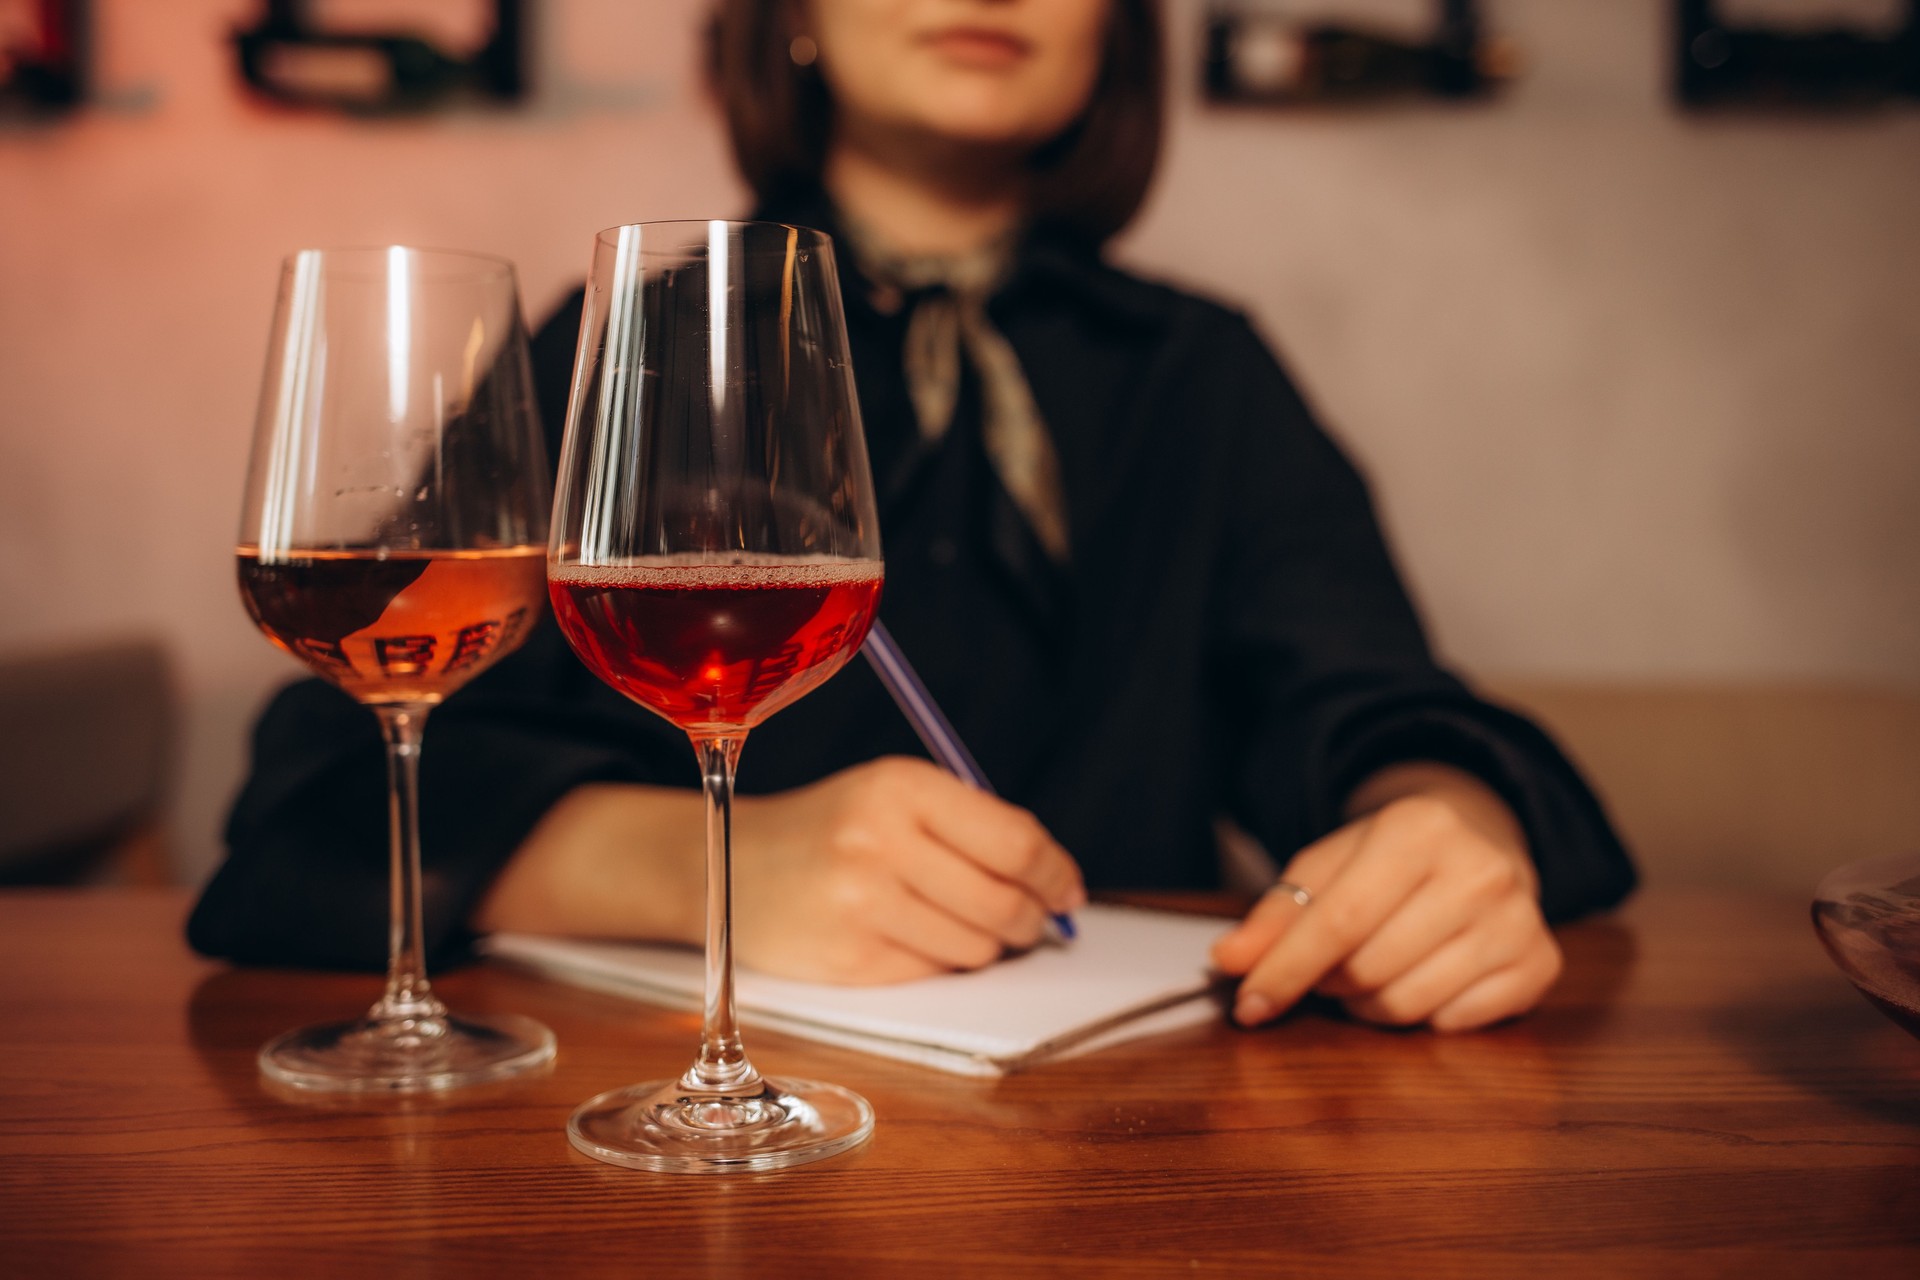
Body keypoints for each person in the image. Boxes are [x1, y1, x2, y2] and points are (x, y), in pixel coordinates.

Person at [191, 0, 1634, 1032]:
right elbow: (314, 801)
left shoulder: (1202, 375)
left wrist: (1448, 831)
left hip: (1140, 1158)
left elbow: (1371, 701)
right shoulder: (626, 344)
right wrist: (709, 871)